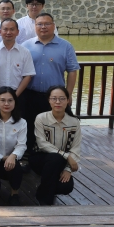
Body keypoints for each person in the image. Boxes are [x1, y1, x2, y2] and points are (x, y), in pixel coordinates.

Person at [22, 13, 79, 151]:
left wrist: (68, 94)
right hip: (30, 94)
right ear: (35, 26)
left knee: (57, 126)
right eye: (39, 24)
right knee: (29, 126)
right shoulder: (26, 45)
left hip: (55, 97)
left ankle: (58, 154)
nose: (43, 27)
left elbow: (72, 71)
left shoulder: (66, 46)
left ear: (53, 26)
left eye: (47, 24)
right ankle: (29, 154)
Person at [30, 86, 81, 205]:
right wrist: (66, 156)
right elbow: (42, 144)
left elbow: (76, 147)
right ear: (49, 100)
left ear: (68, 100)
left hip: (61, 162)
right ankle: (45, 202)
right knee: (55, 158)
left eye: (62, 98)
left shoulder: (74, 122)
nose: (58, 102)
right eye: (54, 98)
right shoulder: (41, 118)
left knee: (65, 187)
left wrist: (68, 169)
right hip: (40, 158)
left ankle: (43, 191)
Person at [0, 18, 35, 117]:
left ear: (17, 32)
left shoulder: (25, 52)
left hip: (18, 94)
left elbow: (28, 75)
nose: (8, 32)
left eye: (12, 29)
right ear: (0, 32)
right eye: (5, 29)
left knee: (17, 122)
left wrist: (14, 96)